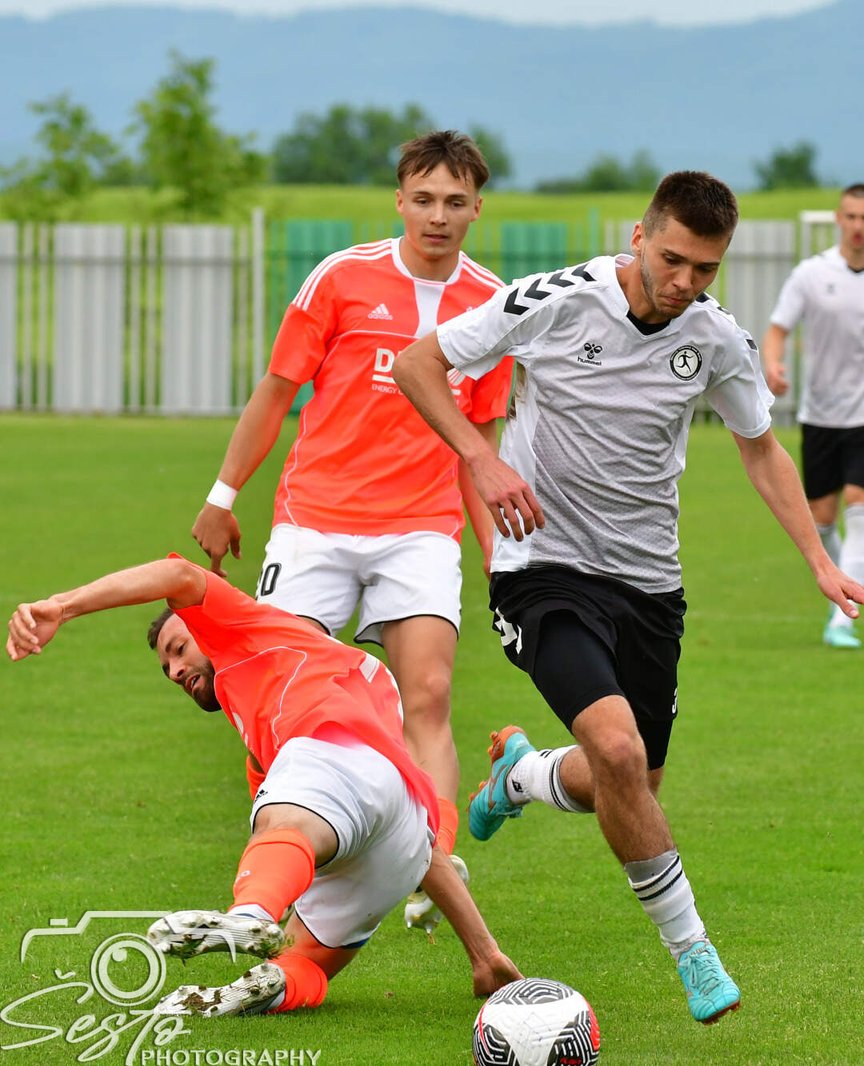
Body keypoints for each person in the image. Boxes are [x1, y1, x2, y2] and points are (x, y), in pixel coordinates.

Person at [390, 171, 864, 1025]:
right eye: (672, 259)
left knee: (631, 782)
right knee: (618, 751)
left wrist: (821, 562)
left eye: (706, 269)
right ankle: (694, 953)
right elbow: (419, 363)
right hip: (542, 567)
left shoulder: (716, 337)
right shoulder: (558, 301)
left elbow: (760, 448)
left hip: (648, 586)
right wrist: (479, 459)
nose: (685, 282)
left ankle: (523, 777)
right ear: (639, 235)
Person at [188, 130, 510, 934]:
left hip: (421, 529)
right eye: (423, 199)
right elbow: (276, 392)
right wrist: (224, 494)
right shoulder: (340, 277)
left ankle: (434, 860)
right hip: (316, 523)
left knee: (427, 695)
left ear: (478, 208)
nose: (438, 216)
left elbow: (482, 449)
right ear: (399, 201)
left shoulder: (493, 305)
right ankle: (281, 860)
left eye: (455, 201)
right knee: (278, 692)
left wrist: (502, 560)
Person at [4, 556, 520, 1017]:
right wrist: (485, 953)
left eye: (179, 649)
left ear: (204, 625)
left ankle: (248, 913)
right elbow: (418, 845)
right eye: (167, 670)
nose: (176, 670)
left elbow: (177, 574)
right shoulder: (272, 714)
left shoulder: (245, 629)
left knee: (280, 830)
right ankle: (265, 984)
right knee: (303, 959)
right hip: (403, 829)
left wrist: (61, 607)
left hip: (335, 756)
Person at [760, 182, 864, 649]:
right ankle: (843, 588)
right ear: (838, 219)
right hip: (820, 414)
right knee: (821, 520)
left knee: (860, 506)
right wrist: (773, 364)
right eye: (850, 216)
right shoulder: (810, 275)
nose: (858, 225)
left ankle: (842, 619)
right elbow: (777, 330)